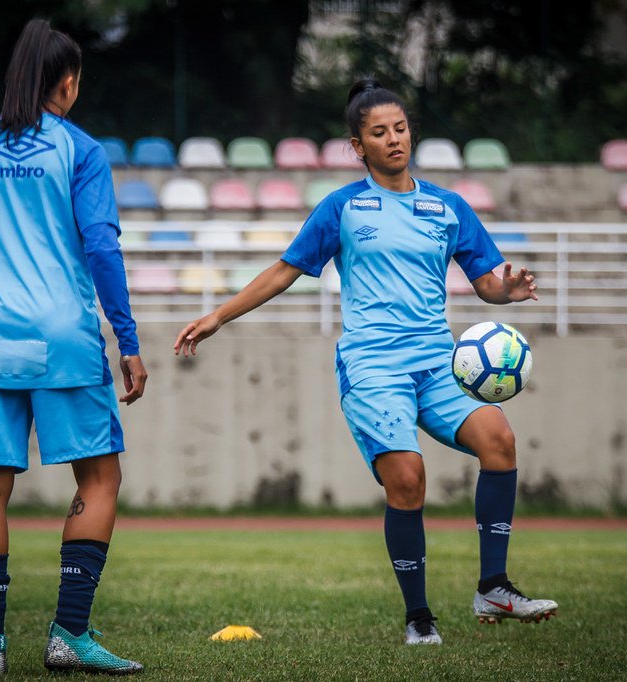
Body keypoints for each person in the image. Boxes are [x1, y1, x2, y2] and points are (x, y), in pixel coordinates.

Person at [174, 78, 557, 645]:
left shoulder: (447, 207)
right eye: (379, 133)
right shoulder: (342, 208)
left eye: (400, 129)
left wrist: (510, 290)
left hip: (437, 362)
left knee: (499, 440)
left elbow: (486, 283)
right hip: (373, 366)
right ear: (358, 146)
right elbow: (285, 270)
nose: (394, 139)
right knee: (409, 478)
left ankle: (494, 586)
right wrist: (217, 317)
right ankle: (418, 618)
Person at [0, 18, 146, 675]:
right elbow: (100, 246)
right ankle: (68, 635)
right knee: (99, 479)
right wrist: (127, 340)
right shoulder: (79, 149)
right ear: (66, 84)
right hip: (65, 337)